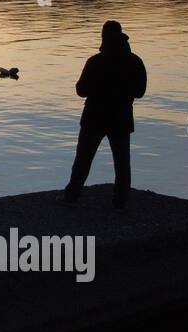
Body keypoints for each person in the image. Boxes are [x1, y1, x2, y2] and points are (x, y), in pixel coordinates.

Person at [62, 20, 147, 210]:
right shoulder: (134, 61)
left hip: (94, 117)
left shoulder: (95, 61)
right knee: (122, 162)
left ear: (104, 38)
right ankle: (120, 201)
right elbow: (140, 92)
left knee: (83, 159)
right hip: (121, 118)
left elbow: (81, 90)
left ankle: (72, 196)